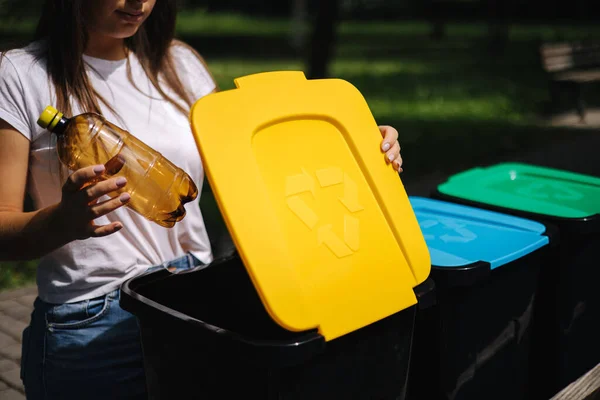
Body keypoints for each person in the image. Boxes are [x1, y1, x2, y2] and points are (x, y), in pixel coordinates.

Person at [0, 0, 404, 399]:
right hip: (92, 322)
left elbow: (254, 168)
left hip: (191, 300)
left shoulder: (179, 64)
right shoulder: (22, 74)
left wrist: (353, 147)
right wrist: (63, 220)